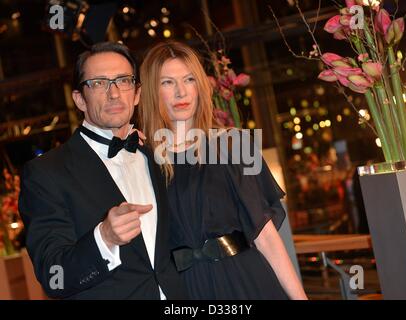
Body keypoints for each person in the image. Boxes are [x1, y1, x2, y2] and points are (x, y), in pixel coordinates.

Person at [138, 40, 307, 300]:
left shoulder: (235, 144)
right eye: (167, 82)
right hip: (185, 290)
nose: (181, 92)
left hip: (246, 282)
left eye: (189, 79)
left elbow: (266, 237)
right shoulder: (143, 161)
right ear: (151, 90)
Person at [18, 42, 187, 300]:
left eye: (123, 81)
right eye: (98, 83)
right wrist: (104, 237)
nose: (114, 93)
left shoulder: (157, 155)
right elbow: (54, 277)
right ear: (79, 99)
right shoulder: (46, 173)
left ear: (137, 93)